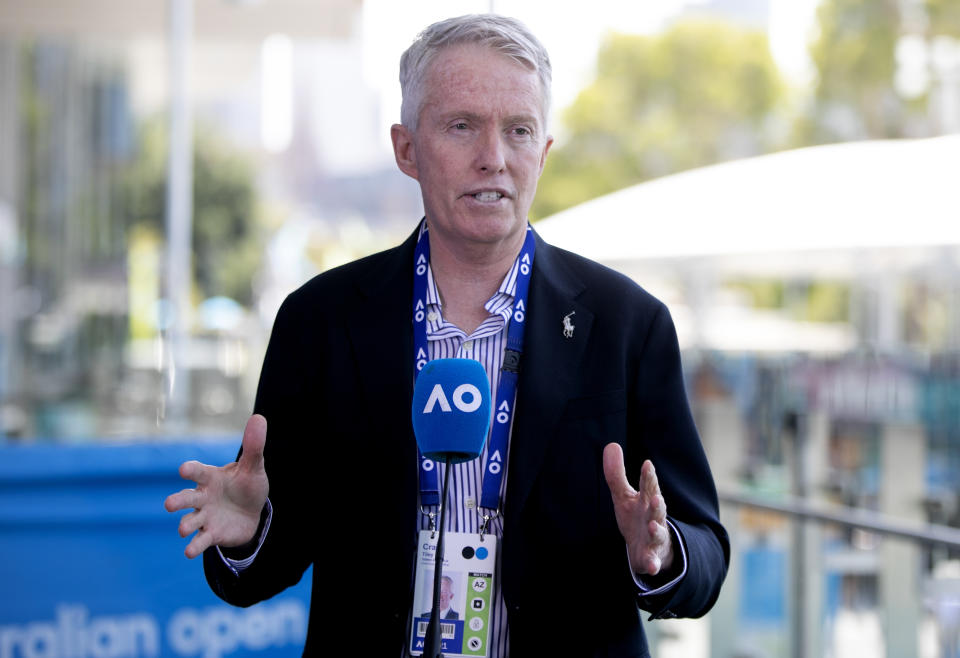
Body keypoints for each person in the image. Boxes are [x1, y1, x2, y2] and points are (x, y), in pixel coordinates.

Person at [165, 14, 728, 657]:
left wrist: (661, 550)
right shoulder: (319, 321)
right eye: (462, 126)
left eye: (518, 131)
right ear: (406, 149)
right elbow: (265, 565)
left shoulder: (629, 324)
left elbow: (704, 548)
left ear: (542, 153)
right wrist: (249, 533)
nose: (493, 157)